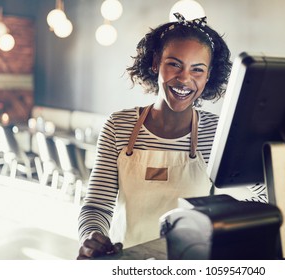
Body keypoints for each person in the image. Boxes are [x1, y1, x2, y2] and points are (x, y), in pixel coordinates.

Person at [77, 13, 262, 260]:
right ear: (156, 63)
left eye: (197, 69)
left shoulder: (217, 133)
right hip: (127, 262)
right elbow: (97, 207)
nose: (185, 78)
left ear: (208, 77)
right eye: (174, 64)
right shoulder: (118, 126)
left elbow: (261, 196)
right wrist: (92, 235)